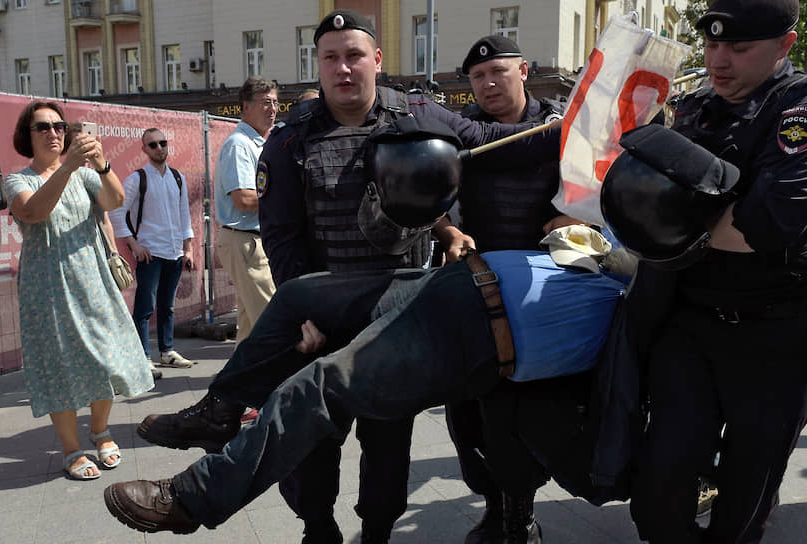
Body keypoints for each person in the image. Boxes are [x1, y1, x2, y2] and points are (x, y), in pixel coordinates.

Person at [132, 10, 559, 543]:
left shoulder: (420, 114)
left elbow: (501, 141)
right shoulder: (290, 139)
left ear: (376, 60)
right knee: (310, 449)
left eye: (354, 55)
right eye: (331, 57)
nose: (343, 68)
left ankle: (375, 531)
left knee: (387, 451)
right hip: (320, 315)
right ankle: (318, 528)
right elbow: (282, 234)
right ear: (319, 65)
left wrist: (589, 122)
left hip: (400, 315)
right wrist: (305, 313)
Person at [102, 225, 629, 536]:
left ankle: (194, 500)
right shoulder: (616, 237)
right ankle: (220, 412)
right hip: (454, 280)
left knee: (321, 385)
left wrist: (632, 264)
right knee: (299, 295)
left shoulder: (649, 293)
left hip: (476, 336)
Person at [620, 1, 807, 542]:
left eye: (740, 48)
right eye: (712, 44)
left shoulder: (796, 110)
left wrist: (675, 220)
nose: (719, 60)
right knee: (662, 480)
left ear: (785, 46)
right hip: (692, 322)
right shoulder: (697, 108)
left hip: (776, 334)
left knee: (748, 492)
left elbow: (765, 225)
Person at [438, 35, 580, 544]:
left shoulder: (561, 128)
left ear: (524, 70)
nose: (489, 82)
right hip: (474, 292)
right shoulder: (461, 137)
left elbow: (594, 187)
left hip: (543, 296)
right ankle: (494, 505)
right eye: (478, 76)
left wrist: (574, 215)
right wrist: (447, 228)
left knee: (524, 413)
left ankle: (520, 513)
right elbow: (439, 195)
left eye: (498, 71)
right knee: (468, 415)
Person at [3, 102, 154, 481]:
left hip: (92, 280)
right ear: (28, 136)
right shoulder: (17, 180)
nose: (53, 132)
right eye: (42, 127)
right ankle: (71, 449)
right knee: (59, 367)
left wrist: (101, 164)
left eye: (58, 126)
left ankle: (100, 430)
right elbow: (33, 212)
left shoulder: (85, 176)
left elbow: (116, 200)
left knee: (107, 357)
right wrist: (68, 166)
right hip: (46, 286)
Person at [108, 128, 196, 369]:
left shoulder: (178, 177)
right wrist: (134, 244)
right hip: (150, 253)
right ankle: (142, 357)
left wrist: (188, 248)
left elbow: (183, 214)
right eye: (153, 145)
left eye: (162, 143)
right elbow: (116, 211)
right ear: (144, 149)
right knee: (145, 307)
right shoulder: (137, 179)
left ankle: (167, 351)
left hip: (174, 252)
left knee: (167, 305)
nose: (159, 148)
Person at [214, 77, 278, 343]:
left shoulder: (256, 144)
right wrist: (283, 200)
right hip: (246, 241)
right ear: (245, 106)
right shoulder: (239, 144)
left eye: (275, 102)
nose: (273, 109)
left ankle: (237, 382)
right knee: (274, 320)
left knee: (251, 328)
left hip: (250, 242)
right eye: (265, 102)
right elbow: (243, 199)